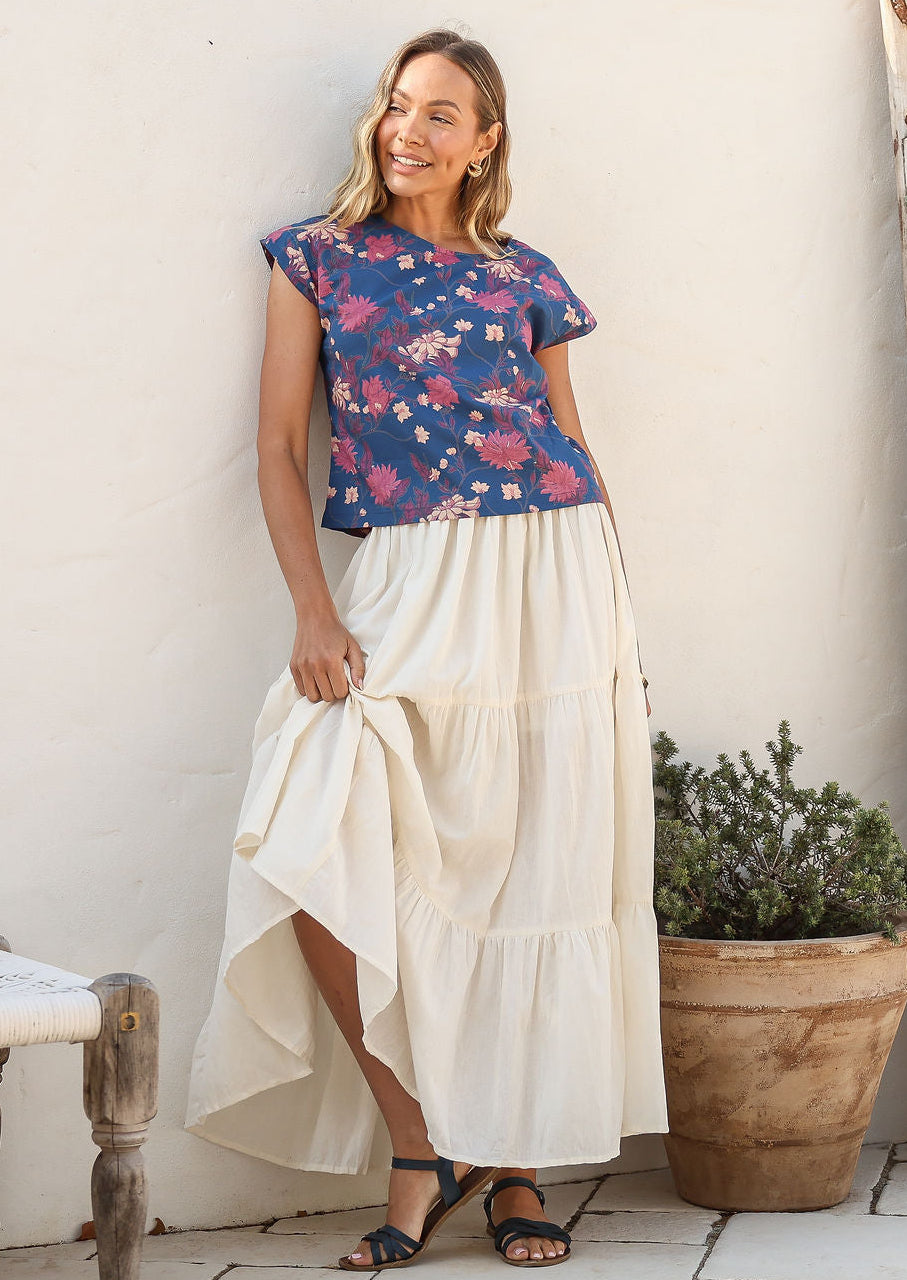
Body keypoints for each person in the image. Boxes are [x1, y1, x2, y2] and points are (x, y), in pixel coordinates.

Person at [185, 26, 668, 1272]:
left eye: (441, 114)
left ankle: (514, 1163)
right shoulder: (317, 258)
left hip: (555, 573)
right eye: (400, 104)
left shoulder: (526, 277)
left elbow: (571, 441)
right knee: (308, 820)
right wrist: (314, 610)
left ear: (484, 143)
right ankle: (423, 1143)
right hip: (408, 570)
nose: (408, 129)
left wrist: (617, 625)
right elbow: (278, 447)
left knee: (534, 869)